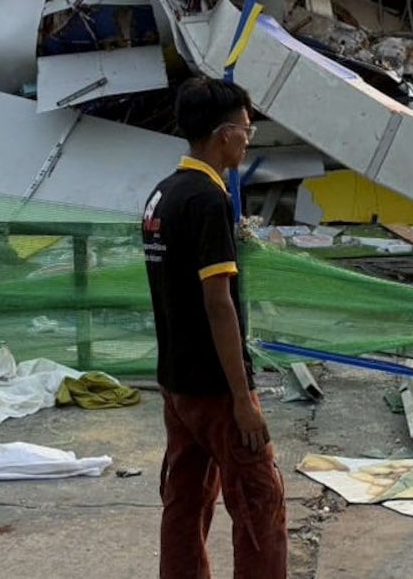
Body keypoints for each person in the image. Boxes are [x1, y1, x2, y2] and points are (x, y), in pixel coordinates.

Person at [144, 78, 287, 579]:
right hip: (215, 387)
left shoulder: (162, 195)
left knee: (184, 502)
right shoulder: (207, 200)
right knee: (258, 504)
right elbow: (217, 303)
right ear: (223, 134)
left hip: (175, 381)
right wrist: (244, 398)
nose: (249, 140)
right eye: (246, 130)